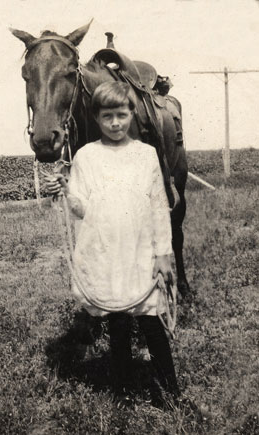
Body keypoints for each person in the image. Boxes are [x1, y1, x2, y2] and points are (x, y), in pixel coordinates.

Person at [45, 81, 179, 407]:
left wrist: (163, 253)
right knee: (117, 321)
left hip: (140, 250)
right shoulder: (87, 157)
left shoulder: (145, 155)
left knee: (151, 319)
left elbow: (159, 207)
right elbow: (82, 209)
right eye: (108, 116)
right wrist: (65, 190)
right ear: (97, 117)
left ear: (133, 114)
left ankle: (170, 390)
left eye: (121, 114)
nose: (115, 123)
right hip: (108, 250)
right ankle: (123, 388)